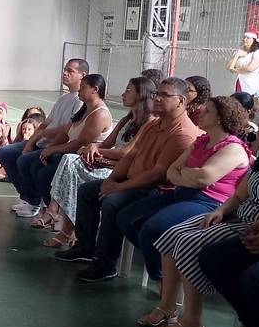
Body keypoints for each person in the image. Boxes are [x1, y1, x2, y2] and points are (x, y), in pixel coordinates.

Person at [141, 103, 259, 327]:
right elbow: (240, 195)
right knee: (172, 234)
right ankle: (167, 306)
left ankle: (192, 321)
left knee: (188, 243)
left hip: (254, 224)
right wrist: (222, 211)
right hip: (239, 214)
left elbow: (203, 177)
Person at [61, 77, 200, 282]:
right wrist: (111, 181)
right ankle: (85, 248)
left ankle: (105, 264)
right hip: (133, 180)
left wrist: (118, 187)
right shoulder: (154, 125)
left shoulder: (183, 133)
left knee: (112, 202)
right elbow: (131, 156)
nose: (157, 99)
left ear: (181, 101)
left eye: (165, 95)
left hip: (156, 189)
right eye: (157, 94)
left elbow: (157, 174)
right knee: (88, 191)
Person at [115, 96, 252, 289]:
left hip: (208, 203)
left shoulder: (233, 148)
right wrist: (190, 176)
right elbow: (171, 172)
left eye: (207, 111)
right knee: (126, 217)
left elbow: (203, 178)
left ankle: (163, 279)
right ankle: (166, 268)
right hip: (182, 194)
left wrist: (186, 174)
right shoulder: (202, 141)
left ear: (220, 118)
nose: (201, 113)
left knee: (152, 229)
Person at [45, 77, 156, 249]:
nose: (123, 94)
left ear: (141, 94)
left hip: (120, 170)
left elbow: (125, 153)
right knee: (71, 165)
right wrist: (92, 146)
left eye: (128, 90)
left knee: (71, 164)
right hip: (107, 162)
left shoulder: (149, 122)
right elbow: (106, 143)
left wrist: (94, 150)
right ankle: (68, 226)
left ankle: (61, 221)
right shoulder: (126, 120)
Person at [0, 59, 87, 218]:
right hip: (42, 142)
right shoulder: (63, 98)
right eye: (64, 69)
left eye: (70, 71)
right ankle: (27, 197)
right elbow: (45, 124)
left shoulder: (81, 102)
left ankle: (34, 202)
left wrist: (47, 143)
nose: (65, 73)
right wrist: (31, 142)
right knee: (6, 153)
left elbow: (68, 130)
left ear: (83, 74)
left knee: (24, 161)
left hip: (57, 145)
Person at [24, 73, 112, 228]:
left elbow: (80, 143)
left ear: (95, 89)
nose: (79, 90)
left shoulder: (100, 114)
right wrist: (47, 143)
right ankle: (49, 208)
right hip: (70, 154)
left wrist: (53, 150)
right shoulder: (84, 110)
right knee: (35, 165)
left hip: (87, 160)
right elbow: (65, 132)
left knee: (45, 173)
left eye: (83, 87)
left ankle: (56, 213)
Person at [227, 28, 259, 94]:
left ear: (254, 40)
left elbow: (250, 68)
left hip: (252, 84)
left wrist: (235, 70)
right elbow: (228, 66)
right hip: (239, 81)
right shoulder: (239, 52)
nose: (245, 39)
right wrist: (237, 55)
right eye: (244, 37)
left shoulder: (258, 53)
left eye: (248, 38)